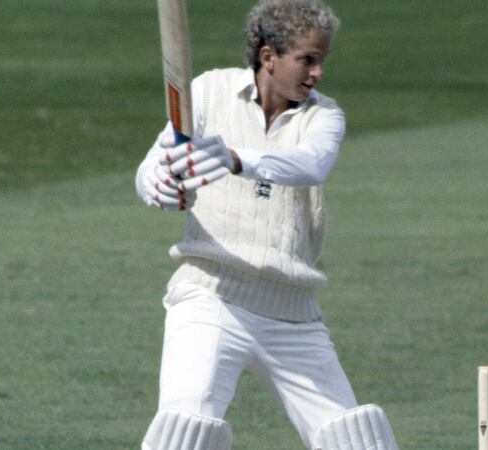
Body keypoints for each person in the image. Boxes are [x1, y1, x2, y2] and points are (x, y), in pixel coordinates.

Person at [135, 1, 399, 449]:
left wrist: (237, 159)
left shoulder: (324, 115)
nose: (317, 73)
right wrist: (159, 188)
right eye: (307, 60)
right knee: (184, 429)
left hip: (292, 314)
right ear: (268, 57)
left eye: (321, 61)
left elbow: (309, 164)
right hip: (211, 297)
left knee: (355, 440)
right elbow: (154, 166)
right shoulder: (209, 91)